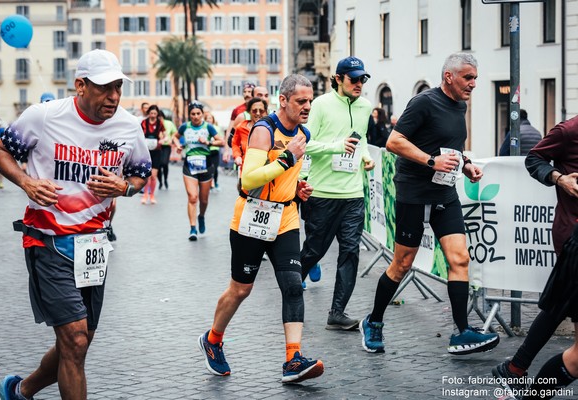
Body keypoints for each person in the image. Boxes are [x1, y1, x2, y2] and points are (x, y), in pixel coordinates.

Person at [0, 48, 150, 400]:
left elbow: (140, 175)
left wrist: (123, 188)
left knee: (79, 342)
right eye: (105, 88)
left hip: (94, 247)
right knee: (75, 338)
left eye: (119, 88)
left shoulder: (127, 125)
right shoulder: (44, 116)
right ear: (80, 85)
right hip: (47, 240)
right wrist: (26, 182)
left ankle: (22, 389)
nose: (114, 97)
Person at [359, 52, 500, 355]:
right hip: (414, 192)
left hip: (444, 194)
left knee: (460, 259)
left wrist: (465, 164)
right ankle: (373, 321)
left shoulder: (460, 106)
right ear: (449, 76)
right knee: (402, 264)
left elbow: (451, 145)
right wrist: (431, 161)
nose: (473, 84)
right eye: (468, 77)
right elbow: (394, 142)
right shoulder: (424, 102)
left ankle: (461, 332)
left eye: (475, 77)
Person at [197, 74, 324, 384]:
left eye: (310, 101)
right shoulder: (264, 131)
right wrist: (288, 157)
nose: (307, 106)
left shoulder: (302, 133)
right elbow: (250, 179)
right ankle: (212, 340)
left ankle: (293, 359)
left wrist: (296, 189)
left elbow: (283, 178)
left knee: (293, 285)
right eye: (300, 101)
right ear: (283, 101)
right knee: (241, 289)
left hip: (285, 219)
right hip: (251, 219)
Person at [492, 115, 578, 396]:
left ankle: (516, 367)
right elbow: (534, 160)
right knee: (561, 305)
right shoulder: (569, 130)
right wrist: (560, 179)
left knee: (559, 305)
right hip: (573, 236)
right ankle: (519, 371)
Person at [298, 56, 375, 330]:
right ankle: (291, 294)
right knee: (313, 251)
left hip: (353, 194)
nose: (359, 84)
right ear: (338, 79)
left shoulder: (366, 106)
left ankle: (337, 312)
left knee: (350, 252)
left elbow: (361, 138)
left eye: (362, 79)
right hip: (323, 193)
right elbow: (304, 145)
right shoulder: (319, 105)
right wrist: (336, 146)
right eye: (353, 79)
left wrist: (365, 156)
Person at [173, 101, 224, 241]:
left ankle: (201, 216)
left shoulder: (208, 127)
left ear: (202, 114)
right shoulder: (185, 127)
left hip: (206, 165)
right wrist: (178, 146)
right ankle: (192, 228)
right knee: (192, 197)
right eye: (193, 114)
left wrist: (208, 142)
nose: (195, 116)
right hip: (189, 164)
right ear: (189, 115)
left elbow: (222, 141)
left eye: (198, 114)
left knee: (203, 199)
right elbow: (175, 137)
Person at [231, 97, 268, 170]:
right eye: (254, 111)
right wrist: (237, 156)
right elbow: (235, 143)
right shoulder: (241, 127)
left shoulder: (271, 128)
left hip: (265, 171)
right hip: (246, 169)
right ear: (249, 111)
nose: (258, 113)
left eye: (261, 111)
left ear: (265, 112)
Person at [223, 82, 255, 163]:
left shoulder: (261, 109)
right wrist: (226, 151)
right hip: (241, 151)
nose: (246, 94)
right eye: (244, 92)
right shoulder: (237, 110)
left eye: (249, 91)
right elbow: (230, 131)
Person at [140, 104, 165, 204]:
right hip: (146, 151)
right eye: (151, 113)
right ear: (148, 113)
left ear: (157, 114)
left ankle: (152, 195)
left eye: (155, 113)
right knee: (147, 175)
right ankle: (145, 194)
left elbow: (165, 135)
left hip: (156, 151)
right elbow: (139, 134)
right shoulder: (144, 123)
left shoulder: (160, 124)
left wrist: (163, 139)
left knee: (154, 175)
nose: (153, 115)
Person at [204, 112, 223, 192]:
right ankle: (209, 185)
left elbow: (221, 139)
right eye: (207, 118)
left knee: (215, 168)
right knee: (208, 169)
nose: (209, 120)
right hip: (207, 151)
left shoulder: (217, 128)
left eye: (210, 118)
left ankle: (215, 182)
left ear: (213, 120)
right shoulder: (204, 128)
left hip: (215, 150)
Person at [158, 111, 177, 190]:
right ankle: (160, 182)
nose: (160, 119)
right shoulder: (155, 124)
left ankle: (165, 179)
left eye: (161, 117)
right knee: (158, 165)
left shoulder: (169, 123)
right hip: (157, 146)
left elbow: (175, 132)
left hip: (166, 146)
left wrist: (171, 139)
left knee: (165, 163)